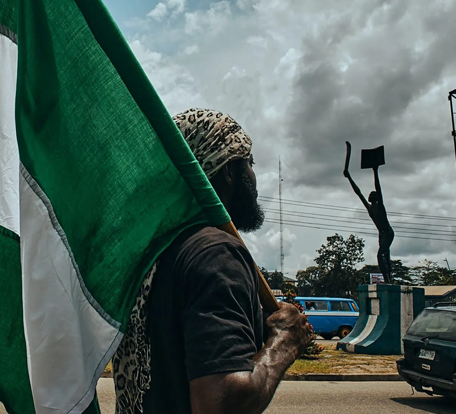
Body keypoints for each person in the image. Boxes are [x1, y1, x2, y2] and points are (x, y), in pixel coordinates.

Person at [113, 108, 312, 414]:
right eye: (250, 163)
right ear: (229, 169)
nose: (254, 176)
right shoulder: (216, 254)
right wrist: (284, 342)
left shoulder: (151, 253)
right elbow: (220, 402)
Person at [343, 150, 395, 284]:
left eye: (372, 194)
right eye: (370, 194)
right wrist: (349, 177)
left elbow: (378, 187)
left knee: (380, 255)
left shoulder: (380, 206)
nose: (369, 195)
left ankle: (387, 278)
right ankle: (389, 277)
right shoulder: (369, 208)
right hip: (381, 234)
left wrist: (375, 171)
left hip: (388, 233)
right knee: (385, 256)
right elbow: (358, 192)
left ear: (376, 198)